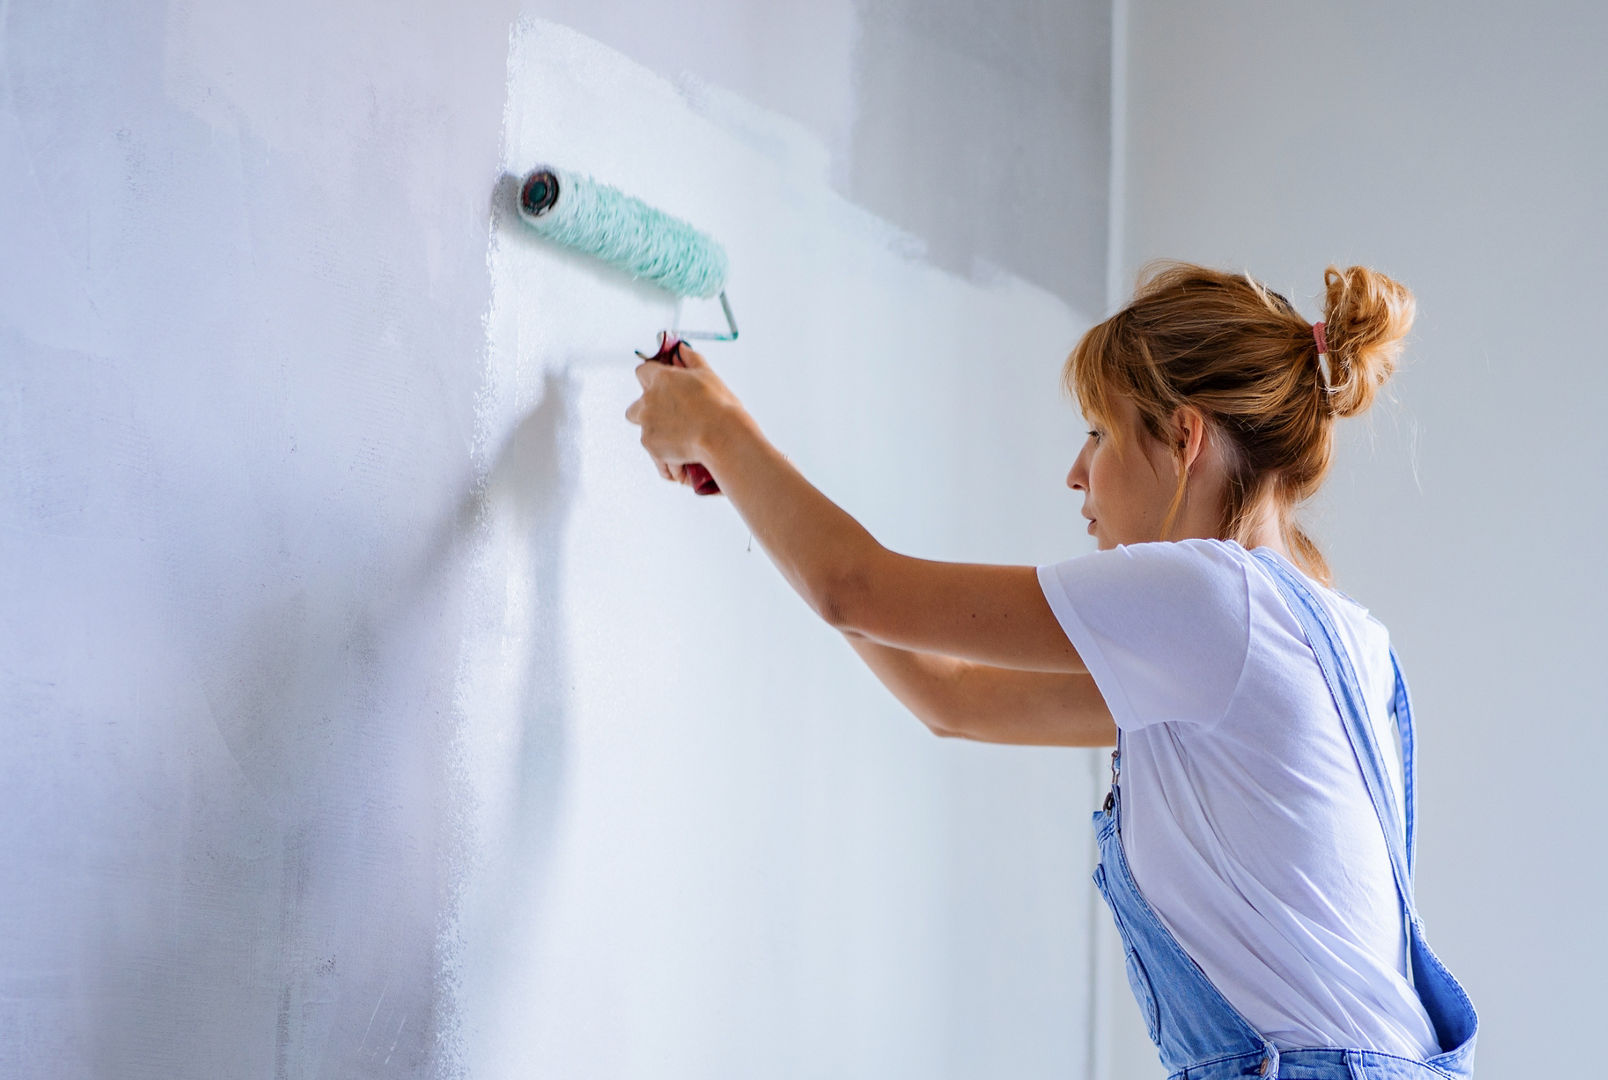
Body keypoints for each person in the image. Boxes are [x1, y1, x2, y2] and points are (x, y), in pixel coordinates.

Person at [626, 261, 1478, 1079]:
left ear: (1183, 439)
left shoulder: (1210, 600)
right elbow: (948, 696)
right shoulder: (1333, 637)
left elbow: (857, 587)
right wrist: (738, 472)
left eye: (1100, 432)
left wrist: (718, 429)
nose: (1077, 472)